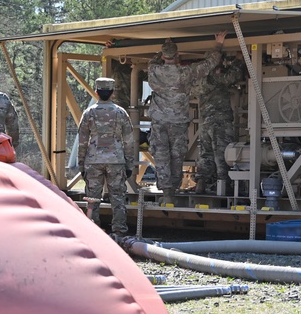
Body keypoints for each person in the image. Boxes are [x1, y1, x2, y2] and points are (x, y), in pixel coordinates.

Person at [146, 31, 227, 206]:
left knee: (161, 156)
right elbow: (209, 64)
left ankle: (166, 193)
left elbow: (152, 62)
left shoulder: (154, 70)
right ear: (177, 55)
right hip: (178, 122)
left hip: (159, 122)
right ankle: (172, 193)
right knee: (176, 157)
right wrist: (218, 44)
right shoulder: (186, 72)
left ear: (163, 56)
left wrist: (161, 50)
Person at [77, 77, 136, 236]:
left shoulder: (89, 113)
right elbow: (129, 141)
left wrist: (81, 164)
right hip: (116, 161)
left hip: (94, 160)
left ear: (96, 92)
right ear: (112, 93)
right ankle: (119, 231)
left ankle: (93, 232)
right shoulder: (120, 112)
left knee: (92, 199)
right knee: (117, 198)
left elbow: (82, 141)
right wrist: (129, 164)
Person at [193, 53, 244, 195]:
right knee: (222, 155)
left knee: (206, 154)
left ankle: (201, 182)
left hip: (205, 124)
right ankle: (224, 188)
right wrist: (238, 60)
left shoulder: (200, 80)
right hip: (220, 122)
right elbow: (234, 76)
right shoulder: (216, 78)